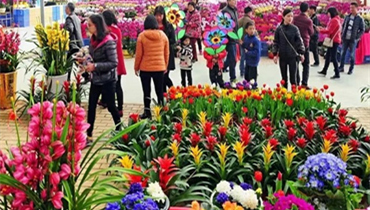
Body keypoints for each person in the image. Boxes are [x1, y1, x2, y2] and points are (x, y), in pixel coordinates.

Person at [84, 14, 121, 145]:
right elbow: (91, 55)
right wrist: (85, 58)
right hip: (96, 79)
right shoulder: (93, 39)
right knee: (91, 107)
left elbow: (114, 62)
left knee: (111, 106)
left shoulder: (108, 41)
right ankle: (89, 136)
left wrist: (96, 66)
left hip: (108, 80)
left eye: (89, 25)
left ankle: (119, 129)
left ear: (97, 26)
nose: (87, 27)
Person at [134, 15, 169, 120]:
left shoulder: (142, 36)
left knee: (146, 91)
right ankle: (161, 112)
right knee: (159, 91)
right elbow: (166, 53)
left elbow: (139, 54)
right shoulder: (163, 35)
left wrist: (136, 67)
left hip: (145, 68)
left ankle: (147, 112)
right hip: (159, 68)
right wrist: (165, 65)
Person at [102, 10, 126, 117]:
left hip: (108, 61)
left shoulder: (104, 31)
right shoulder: (117, 30)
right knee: (118, 85)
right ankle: (120, 108)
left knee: (106, 84)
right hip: (118, 61)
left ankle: (107, 102)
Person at [273, 9, 305, 90]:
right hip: (283, 56)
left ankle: (294, 96)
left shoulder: (295, 29)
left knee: (293, 79)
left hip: (292, 57)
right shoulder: (279, 29)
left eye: (291, 16)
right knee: (284, 79)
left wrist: (301, 53)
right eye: (288, 16)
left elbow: (299, 41)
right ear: (283, 17)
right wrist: (275, 54)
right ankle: (284, 96)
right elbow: (276, 42)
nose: (290, 18)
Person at [339, 2, 365, 75]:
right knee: (342, 53)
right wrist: (342, 34)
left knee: (352, 55)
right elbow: (343, 26)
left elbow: (362, 29)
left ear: (356, 8)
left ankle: (351, 69)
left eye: (353, 8)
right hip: (345, 38)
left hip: (353, 40)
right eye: (350, 8)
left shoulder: (360, 19)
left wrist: (357, 37)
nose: (351, 9)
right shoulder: (347, 16)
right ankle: (341, 67)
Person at [154, 6, 176, 92]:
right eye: (157, 15)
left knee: (165, 76)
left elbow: (173, 40)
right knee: (160, 78)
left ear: (164, 15)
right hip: (157, 54)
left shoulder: (169, 26)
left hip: (167, 53)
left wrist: (163, 41)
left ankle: (173, 91)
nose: (158, 17)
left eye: (160, 15)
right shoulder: (153, 26)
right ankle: (163, 96)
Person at [293, 2, 314, 89]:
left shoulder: (295, 18)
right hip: (304, 43)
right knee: (306, 64)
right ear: (307, 9)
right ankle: (304, 83)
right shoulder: (308, 20)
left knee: (296, 63)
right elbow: (311, 32)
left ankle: (296, 82)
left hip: (295, 43)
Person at [317, 7, 342, 79]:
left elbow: (330, 31)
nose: (328, 14)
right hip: (334, 40)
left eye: (328, 12)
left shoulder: (334, 20)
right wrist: (323, 29)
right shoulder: (337, 19)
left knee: (333, 57)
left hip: (334, 40)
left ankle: (337, 73)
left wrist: (321, 30)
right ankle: (324, 70)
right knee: (328, 56)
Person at [64, 2, 83, 80]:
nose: (65, 10)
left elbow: (70, 29)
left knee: (69, 62)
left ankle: (67, 79)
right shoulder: (76, 17)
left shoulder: (69, 18)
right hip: (78, 42)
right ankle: (86, 75)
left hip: (72, 44)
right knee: (78, 60)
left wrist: (64, 32)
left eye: (66, 8)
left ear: (68, 9)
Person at [222, 0, 239, 87]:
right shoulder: (225, 11)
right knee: (232, 58)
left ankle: (222, 67)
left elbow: (237, 24)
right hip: (228, 38)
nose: (235, 1)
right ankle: (233, 77)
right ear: (228, 1)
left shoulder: (235, 10)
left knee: (231, 57)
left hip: (234, 37)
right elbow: (224, 25)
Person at [238, 6, 254, 78]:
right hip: (248, 41)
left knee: (242, 56)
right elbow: (253, 32)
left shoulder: (239, 20)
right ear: (249, 12)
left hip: (241, 41)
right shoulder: (250, 21)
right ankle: (249, 71)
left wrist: (239, 39)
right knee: (249, 56)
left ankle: (242, 71)